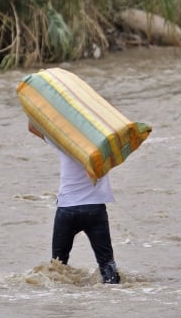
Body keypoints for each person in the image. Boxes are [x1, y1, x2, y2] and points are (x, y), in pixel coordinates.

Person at [28, 121, 121, 284]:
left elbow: (32, 126)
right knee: (107, 264)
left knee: (57, 266)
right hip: (95, 210)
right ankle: (115, 293)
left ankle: (58, 299)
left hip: (67, 210)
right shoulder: (103, 147)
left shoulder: (64, 143)